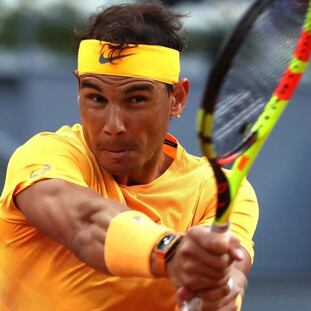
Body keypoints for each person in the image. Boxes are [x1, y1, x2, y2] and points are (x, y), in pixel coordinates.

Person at [0, 1, 259, 310]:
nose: (113, 126)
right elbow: (86, 225)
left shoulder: (220, 191)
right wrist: (173, 252)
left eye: (136, 99)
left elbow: (229, 281)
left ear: (177, 98)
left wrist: (217, 288)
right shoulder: (45, 156)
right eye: (96, 98)